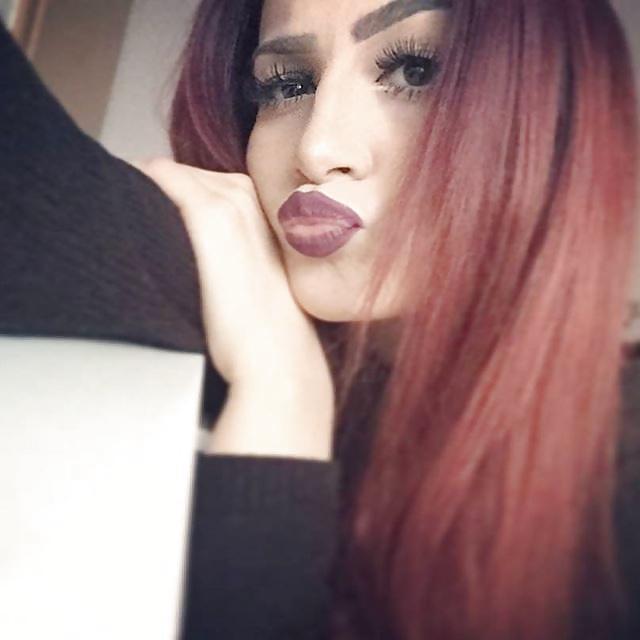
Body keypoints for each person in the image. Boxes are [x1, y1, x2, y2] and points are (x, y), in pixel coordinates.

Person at [1, 2, 640, 640]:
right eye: (287, 85)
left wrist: (279, 388)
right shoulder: (217, 286)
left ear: (563, 120)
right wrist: (285, 381)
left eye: (417, 71)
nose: (316, 148)